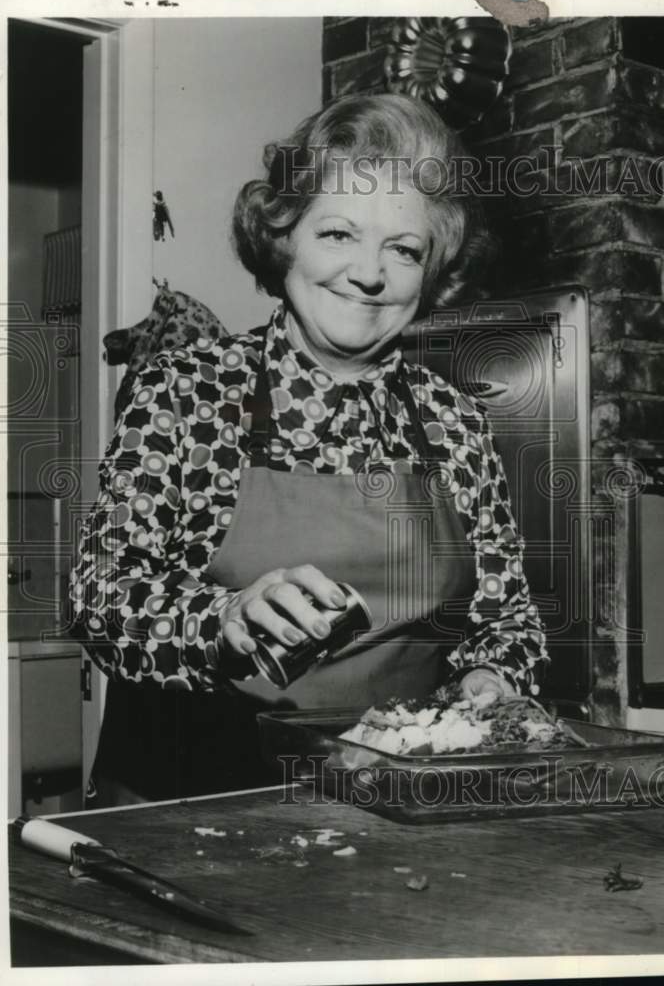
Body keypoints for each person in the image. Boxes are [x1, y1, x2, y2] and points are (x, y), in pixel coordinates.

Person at [68, 93, 548, 806]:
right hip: (189, 798)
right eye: (337, 234)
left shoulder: (456, 423)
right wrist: (223, 618)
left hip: (388, 806)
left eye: (403, 248)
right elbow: (101, 599)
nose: (368, 272)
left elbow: (503, 617)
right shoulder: (184, 391)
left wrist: (491, 680)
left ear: (433, 271)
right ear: (284, 237)